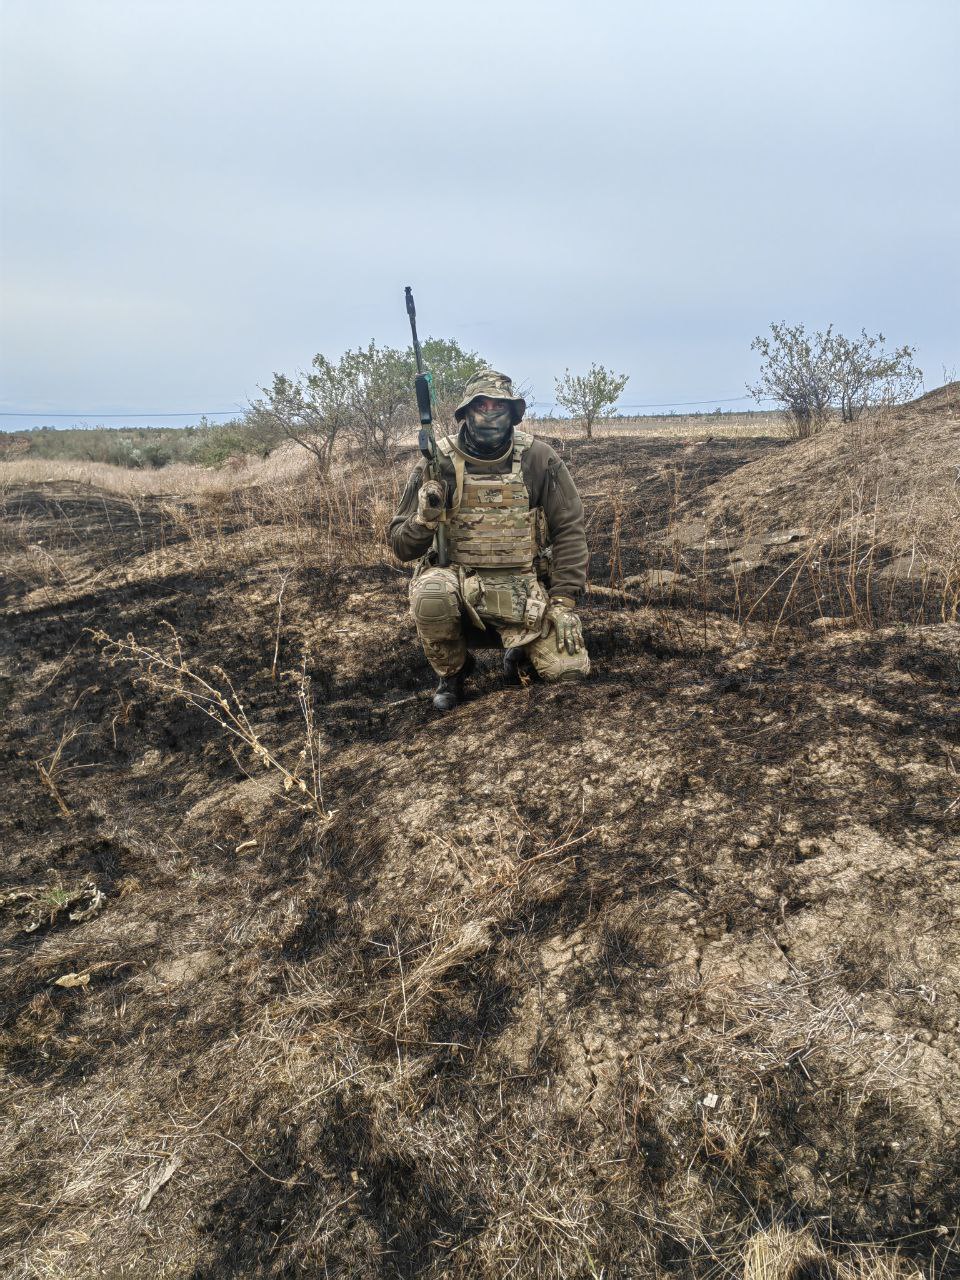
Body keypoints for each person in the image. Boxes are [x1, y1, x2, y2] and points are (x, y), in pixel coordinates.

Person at [387, 369, 590, 711]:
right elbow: (401, 546)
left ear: (513, 413)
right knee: (431, 592)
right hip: (457, 583)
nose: (490, 412)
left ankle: (521, 652)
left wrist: (563, 602)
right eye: (482, 404)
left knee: (569, 673)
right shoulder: (437, 462)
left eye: (500, 405)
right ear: (466, 412)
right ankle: (453, 673)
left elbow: (569, 529)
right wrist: (424, 518)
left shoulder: (539, 458)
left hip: (522, 587)